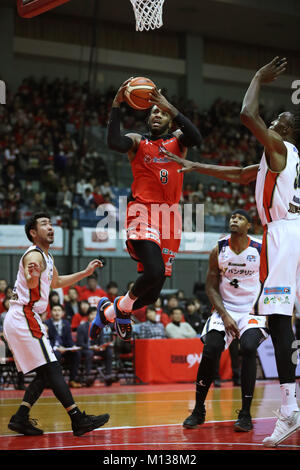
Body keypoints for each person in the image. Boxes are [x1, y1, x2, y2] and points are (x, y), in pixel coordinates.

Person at [163, 59, 300, 444]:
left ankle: (290, 408)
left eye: (278, 121)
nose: (270, 123)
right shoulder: (276, 159)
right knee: (278, 319)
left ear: (287, 131)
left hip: (283, 235)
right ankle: (290, 407)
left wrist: (256, 76)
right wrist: (195, 165)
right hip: (288, 233)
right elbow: (239, 174)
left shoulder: (282, 146)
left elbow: (245, 114)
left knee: (277, 319)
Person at [90, 78, 202, 343]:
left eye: (161, 113)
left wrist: (171, 107)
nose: (156, 115)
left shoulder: (178, 141)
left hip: (170, 218)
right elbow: (114, 142)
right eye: (153, 111)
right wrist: (116, 104)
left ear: (169, 119)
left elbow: (197, 136)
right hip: (142, 212)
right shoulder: (138, 142)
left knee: (151, 294)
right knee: (152, 273)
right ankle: (121, 312)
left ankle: (109, 311)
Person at [3, 212, 110, 436]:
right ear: (33, 233)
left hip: (26, 316)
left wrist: (85, 272)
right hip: (25, 315)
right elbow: (31, 271)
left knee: (46, 372)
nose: (51, 227)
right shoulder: (34, 256)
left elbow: (57, 282)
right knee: (52, 368)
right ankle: (77, 419)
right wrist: (31, 276)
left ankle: (21, 417)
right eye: (44, 224)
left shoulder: (47, 257)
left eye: (51, 224)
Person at [183, 210, 267, 432]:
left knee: (248, 348)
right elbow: (210, 286)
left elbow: (269, 279)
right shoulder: (218, 249)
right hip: (225, 309)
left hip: (251, 310)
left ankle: (246, 414)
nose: (234, 220)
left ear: (249, 225)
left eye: (239, 218)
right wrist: (225, 315)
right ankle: (198, 409)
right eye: (232, 218)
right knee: (211, 349)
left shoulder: (260, 248)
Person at [76, 307, 115, 387]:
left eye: (95, 314)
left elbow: (101, 341)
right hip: (86, 349)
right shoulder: (81, 327)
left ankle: (108, 375)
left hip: (96, 348)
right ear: (88, 316)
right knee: (89, 353)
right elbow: (79, 343)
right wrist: (91, 347)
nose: (94, 316)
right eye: (92, 314)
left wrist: (102, 346)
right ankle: (88, 376)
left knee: (108, 351)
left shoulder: (100, 327)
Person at [45, 304, 82, 388]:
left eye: (59, 310)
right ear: (50, 313)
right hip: (52, 349)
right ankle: (54, 381)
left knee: (76, 354)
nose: (57, 312)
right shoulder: (46, 323)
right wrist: (56, 347)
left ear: (63, 313)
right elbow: (46, 340)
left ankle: (72, 380)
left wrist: (72, 347)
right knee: (56, 354)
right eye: (54, 310)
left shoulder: (66, 323)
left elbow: (69, 339)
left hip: (64, 348)